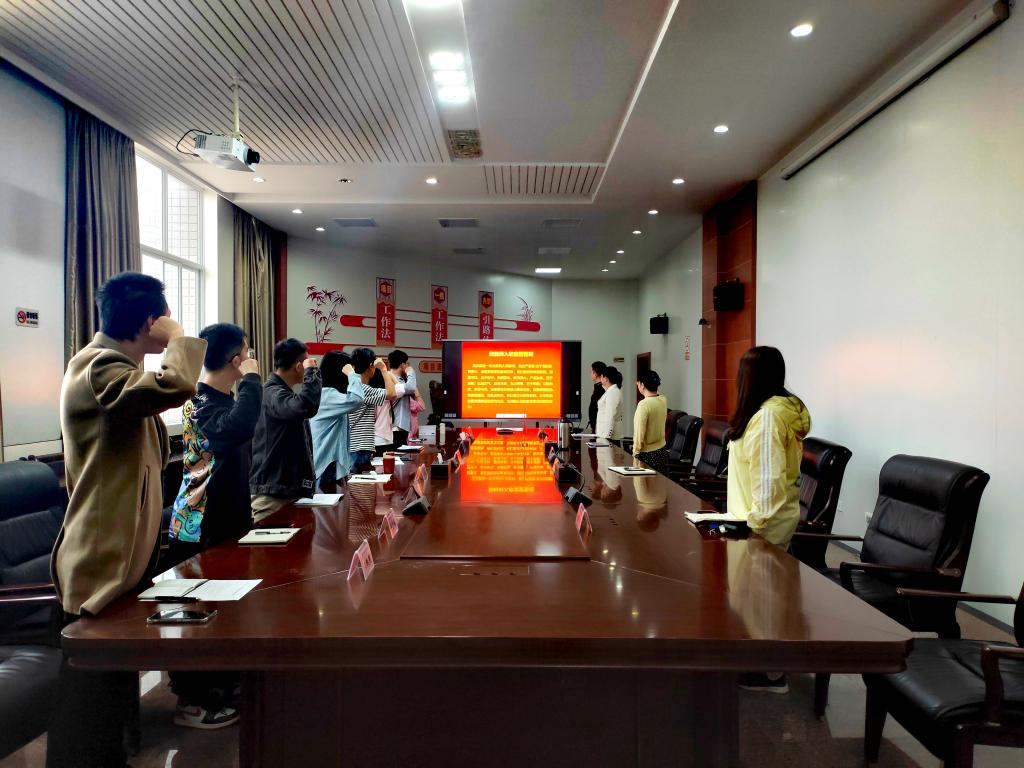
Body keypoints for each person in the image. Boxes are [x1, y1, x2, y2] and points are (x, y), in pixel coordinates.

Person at [49, 271, 206, 767]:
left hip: (122, 559)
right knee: (88, 711)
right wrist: (179, 338)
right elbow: (176, 384)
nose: (169, 325)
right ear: (148, 321)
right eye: (163, 318)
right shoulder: (97, 367)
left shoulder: (118, 371)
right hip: (98, 562)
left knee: (111, 701)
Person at [166, 322, 261, 729]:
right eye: (247, 354)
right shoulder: (201, 400)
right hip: (198, 524)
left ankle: (220, 684)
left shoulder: (218, 398)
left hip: (224, 520)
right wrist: (253, 379)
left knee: (223, 610)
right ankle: (191, 700)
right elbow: (239, 426)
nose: (250, 359)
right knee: (197, 615)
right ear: (236, 360)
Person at [725, 346, 810, 694]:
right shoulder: (768, 413)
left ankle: (772, 674)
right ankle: (762, 660)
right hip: (752, 520)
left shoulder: (768, 418)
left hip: (760, 526)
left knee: (764, 601)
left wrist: (751, 529)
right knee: (754, 598)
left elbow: (768, 481)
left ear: (749, 377)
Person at [249, 339, 321, 520]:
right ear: (298, 367)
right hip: (272, 496)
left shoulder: (279, 393)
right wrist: (312, 372)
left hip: (283, 491)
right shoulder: (272, 393)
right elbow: (305, 406)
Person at [310, 351, 365, 488]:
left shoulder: (326, 394)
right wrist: (352, 375)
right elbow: (357, 400)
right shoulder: (327, 395)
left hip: (329, 466)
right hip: (325, 468)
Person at [347, 348, 397, 472]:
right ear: (370, 366)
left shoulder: (352, 387)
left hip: (354, 445)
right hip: (361, 446)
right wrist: (384, 369)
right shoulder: (362, 388)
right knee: (360, 482)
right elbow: (392, 393)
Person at [632, 370, 669, 473]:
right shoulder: (663, 399)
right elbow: (657, 393)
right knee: (659, 483)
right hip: (662, 452)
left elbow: (639, 434)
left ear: (642, 385)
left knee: (642, 483)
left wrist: (635, 454)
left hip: (647, 456)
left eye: (639, 383)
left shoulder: (644, 405)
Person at [372, 364, 405, 456]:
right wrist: (389, 374)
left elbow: (401, 390)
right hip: (380, 436)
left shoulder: (377, 394)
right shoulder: (385, 395)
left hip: (380, 436)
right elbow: (401, 389)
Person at [388, 349, 416, 448]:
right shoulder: (390, 378)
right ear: (402, 364)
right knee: (397, 455)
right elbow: (411, 388)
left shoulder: (398, 379)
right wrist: (411, 372)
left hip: (400, 427)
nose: (408, 366)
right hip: (396, 427)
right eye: (407, 363)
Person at [594, 365, 623, 442]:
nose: (600, 379)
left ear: (606, 378)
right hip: (604, 434)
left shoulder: (612, 392)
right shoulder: (610, 391)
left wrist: (606, 436)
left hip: (609, 437)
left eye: (601, 377)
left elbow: (610, 415)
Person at [587, 361, 607, 432]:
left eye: (592, 372)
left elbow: (597, 408)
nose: (591, 374)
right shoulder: (598, 387)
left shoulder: (601, 388)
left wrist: (595, 425)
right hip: (596, 425)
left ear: (595, 373)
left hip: (599, 426)